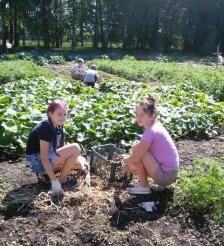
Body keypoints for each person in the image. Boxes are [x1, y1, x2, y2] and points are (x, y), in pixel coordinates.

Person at [26, 99, 88, 195]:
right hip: (38, 161)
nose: (63, 117)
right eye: (59, 114)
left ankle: (47, 175)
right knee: (76, 148)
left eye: (65, 114)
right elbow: (44, 158)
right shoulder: (45, 128)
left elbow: (61, 147)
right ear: (50, 114)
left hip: (48, 157)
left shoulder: (58, 126)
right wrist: (54, 182)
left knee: (79, 165)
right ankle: (60, 180)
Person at [122, 96, 179, 195]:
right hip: (170, 173)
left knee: (138, 153)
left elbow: (136, 158)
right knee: (137, 148)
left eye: (142, 115)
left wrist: (125, 161)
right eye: (137, 115)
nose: (138, 118)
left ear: (152, 116)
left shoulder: (151, 131)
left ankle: (144, 187)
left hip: (166, 176)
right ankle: (151, 184)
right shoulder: (156, 126)